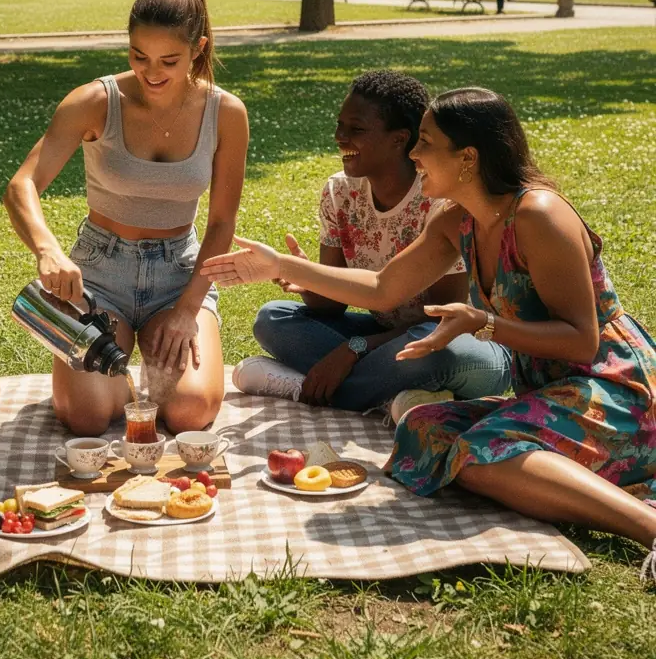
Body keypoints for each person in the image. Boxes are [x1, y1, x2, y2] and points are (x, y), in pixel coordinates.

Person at [202, 87, 656, 562]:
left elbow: (582, 342)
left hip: (610, 388)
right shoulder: (455, 221)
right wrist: (281, 267)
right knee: (422, 427)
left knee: (479, 448)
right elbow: (381, 288)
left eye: (425, 142)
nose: (414, 154)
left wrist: (483, 324)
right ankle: (562, 471)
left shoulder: (539, 216)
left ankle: (646, 527)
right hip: (544, 391)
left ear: (468, 158)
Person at [4, 0, 249, 435]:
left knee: (190, 412)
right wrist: (48, 251)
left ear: (198, 48)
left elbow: (221, 224)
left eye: (168, 60)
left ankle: (156, 373)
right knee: (86, 417)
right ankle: (124, 382)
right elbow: (22, 186)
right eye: (139, 56)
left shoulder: (227, 113)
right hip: (100, 276)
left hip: (179, 275)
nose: (151, 73)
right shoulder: (95, 101)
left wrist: (186, 310)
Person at [233, 71, 509, 419]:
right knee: (273, 317)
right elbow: (338, 305)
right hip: (385, 335)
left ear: (399, 139)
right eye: (339, 125)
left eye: (356, 129)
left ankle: (306, 388)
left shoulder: (441, 203)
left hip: (462, 339)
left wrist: (353, 349)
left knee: (428, 349)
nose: (339, 137)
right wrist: (308, 282)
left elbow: (442, 321)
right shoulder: (340, 192)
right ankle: (396, 398)